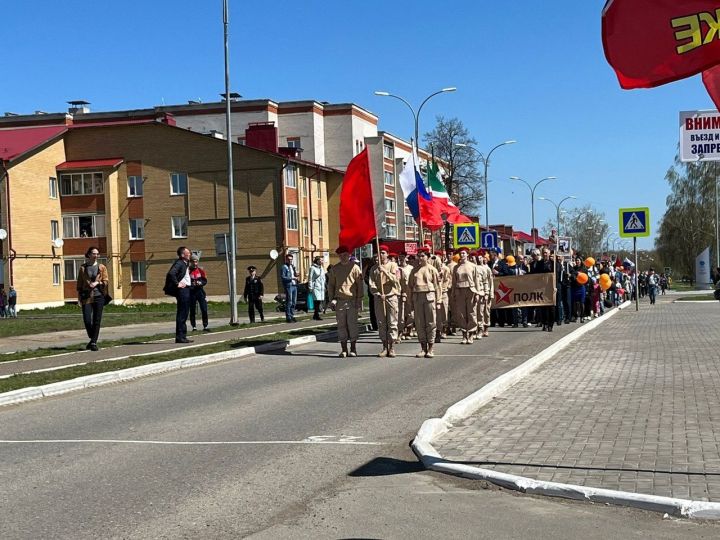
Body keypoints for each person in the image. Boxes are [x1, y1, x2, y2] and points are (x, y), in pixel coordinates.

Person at [327, 246, 364, 358]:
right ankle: (344, 349)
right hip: (340, 301)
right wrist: (331, 299)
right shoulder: (335, 269)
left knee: (352, 325)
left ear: (349, 255)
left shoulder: (355, 268)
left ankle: (353, 348)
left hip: (352, 300)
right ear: (339, 256)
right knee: (341, 326)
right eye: (341, 255)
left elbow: (360, 285)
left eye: (345, 255)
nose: (343, 257)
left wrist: (359, 299)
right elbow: (331, 286)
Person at [408, 247, 441, 358]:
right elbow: (410, 286)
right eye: (419, 256)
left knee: (431, 323)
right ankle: (423, 348)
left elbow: (437, 286)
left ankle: (431, 348)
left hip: (429, 297)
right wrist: (410, 301)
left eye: (423, 256)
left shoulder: (432, 269)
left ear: (427, 257)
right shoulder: (414, 270)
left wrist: (439, 300)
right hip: (417, 298)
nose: (420, 258)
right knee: (419, 323)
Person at [369, 245, 401, 357]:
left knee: (392, 322)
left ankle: (391, 347)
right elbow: (371, 284)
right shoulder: (374, 269)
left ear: (387, 254)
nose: (381, 255)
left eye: (383, 252)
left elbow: (396, 280)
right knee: (381, 323)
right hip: (379, 298)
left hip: (391, 296)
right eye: (379, 253)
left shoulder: (393, 265)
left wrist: (385, 272)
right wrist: (377, 293)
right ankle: (384, 346)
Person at [77, 246, 109, 351]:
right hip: (87, 297)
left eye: (97, 254)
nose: (96, 256)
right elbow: (79, 284)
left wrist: (97, 282)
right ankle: (92, 338)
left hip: (99, 296)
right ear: (89, 254)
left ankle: (94, 342)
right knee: (87, 320)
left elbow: (106, 281)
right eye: (94, 253)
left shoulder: (101, 267)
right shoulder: (83, 268)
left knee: (97, 319)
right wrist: (79, 298)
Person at [164, 246, 193, 343]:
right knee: (182, 313)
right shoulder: (179, 263)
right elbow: (171, 273)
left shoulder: (185, 263)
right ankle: (180, 337)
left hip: (186, 289)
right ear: (182, 255)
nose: (190, 254)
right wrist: (177, 284)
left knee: (185, 313)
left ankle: (183, 336)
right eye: (188, 253)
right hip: (182, 290)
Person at [451, 247, 480, 344]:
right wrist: (453, 294)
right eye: (460, 254)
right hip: (459, 291)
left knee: (471, 312)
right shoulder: (456, 267)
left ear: (467, 254)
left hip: (471, 290)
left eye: (464, 253)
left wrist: (478, 293)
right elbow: (454, 282)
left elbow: (477, 280)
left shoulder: (473, 266)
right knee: (461, 313)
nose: (462, 255)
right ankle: (464, 335)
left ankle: (471, 334)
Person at [531, 248, 556, 332]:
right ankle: (544, 323)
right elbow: (534, 274)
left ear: (549, 254)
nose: (545, 254)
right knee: (543, 307)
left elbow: (557, 274)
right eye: (543, 253)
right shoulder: (539, 263)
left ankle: (550, 324)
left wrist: (555, 287)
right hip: (542, 288)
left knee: (551, 308)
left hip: (551, 288)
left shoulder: (553, 264)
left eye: (546, 253)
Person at [189, 255, 209, 332]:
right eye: (193, 261)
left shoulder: (201, 270)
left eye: (196, 261)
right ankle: (194, 326)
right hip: (192, 293)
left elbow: (205, 280)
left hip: (200, 291)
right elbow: (186, 281)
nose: (195, 263)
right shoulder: (188, 271)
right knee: (192, 310)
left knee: (204, 309)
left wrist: (200, 283)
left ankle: (205, 325)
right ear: (191, 262)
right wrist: (192, 284)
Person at [281, 253, 299, 323]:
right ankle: (288, 317)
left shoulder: (292, 266)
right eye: (289, 259)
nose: (290, 261)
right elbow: (283, 277)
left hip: (294, 285)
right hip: (289, 286)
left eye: (291, 259)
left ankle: (292, 315)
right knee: (289, 302)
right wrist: (292, 278)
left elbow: (294, 274)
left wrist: (296, 275)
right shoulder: (284, 267)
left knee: (294, 302)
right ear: (286, 260)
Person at [307, 256, 326, 321]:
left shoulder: (321, 268)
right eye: (321, 260)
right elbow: (310, 278)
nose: (322, 261)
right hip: (315, 286)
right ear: (317, 260)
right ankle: (316, 314)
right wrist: (310, 287)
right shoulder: (312, 268)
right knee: (316, 300)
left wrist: (324, 285)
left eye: (322, 260)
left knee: (319, 301)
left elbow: (323, 278)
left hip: (321, 287)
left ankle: (315, 314)